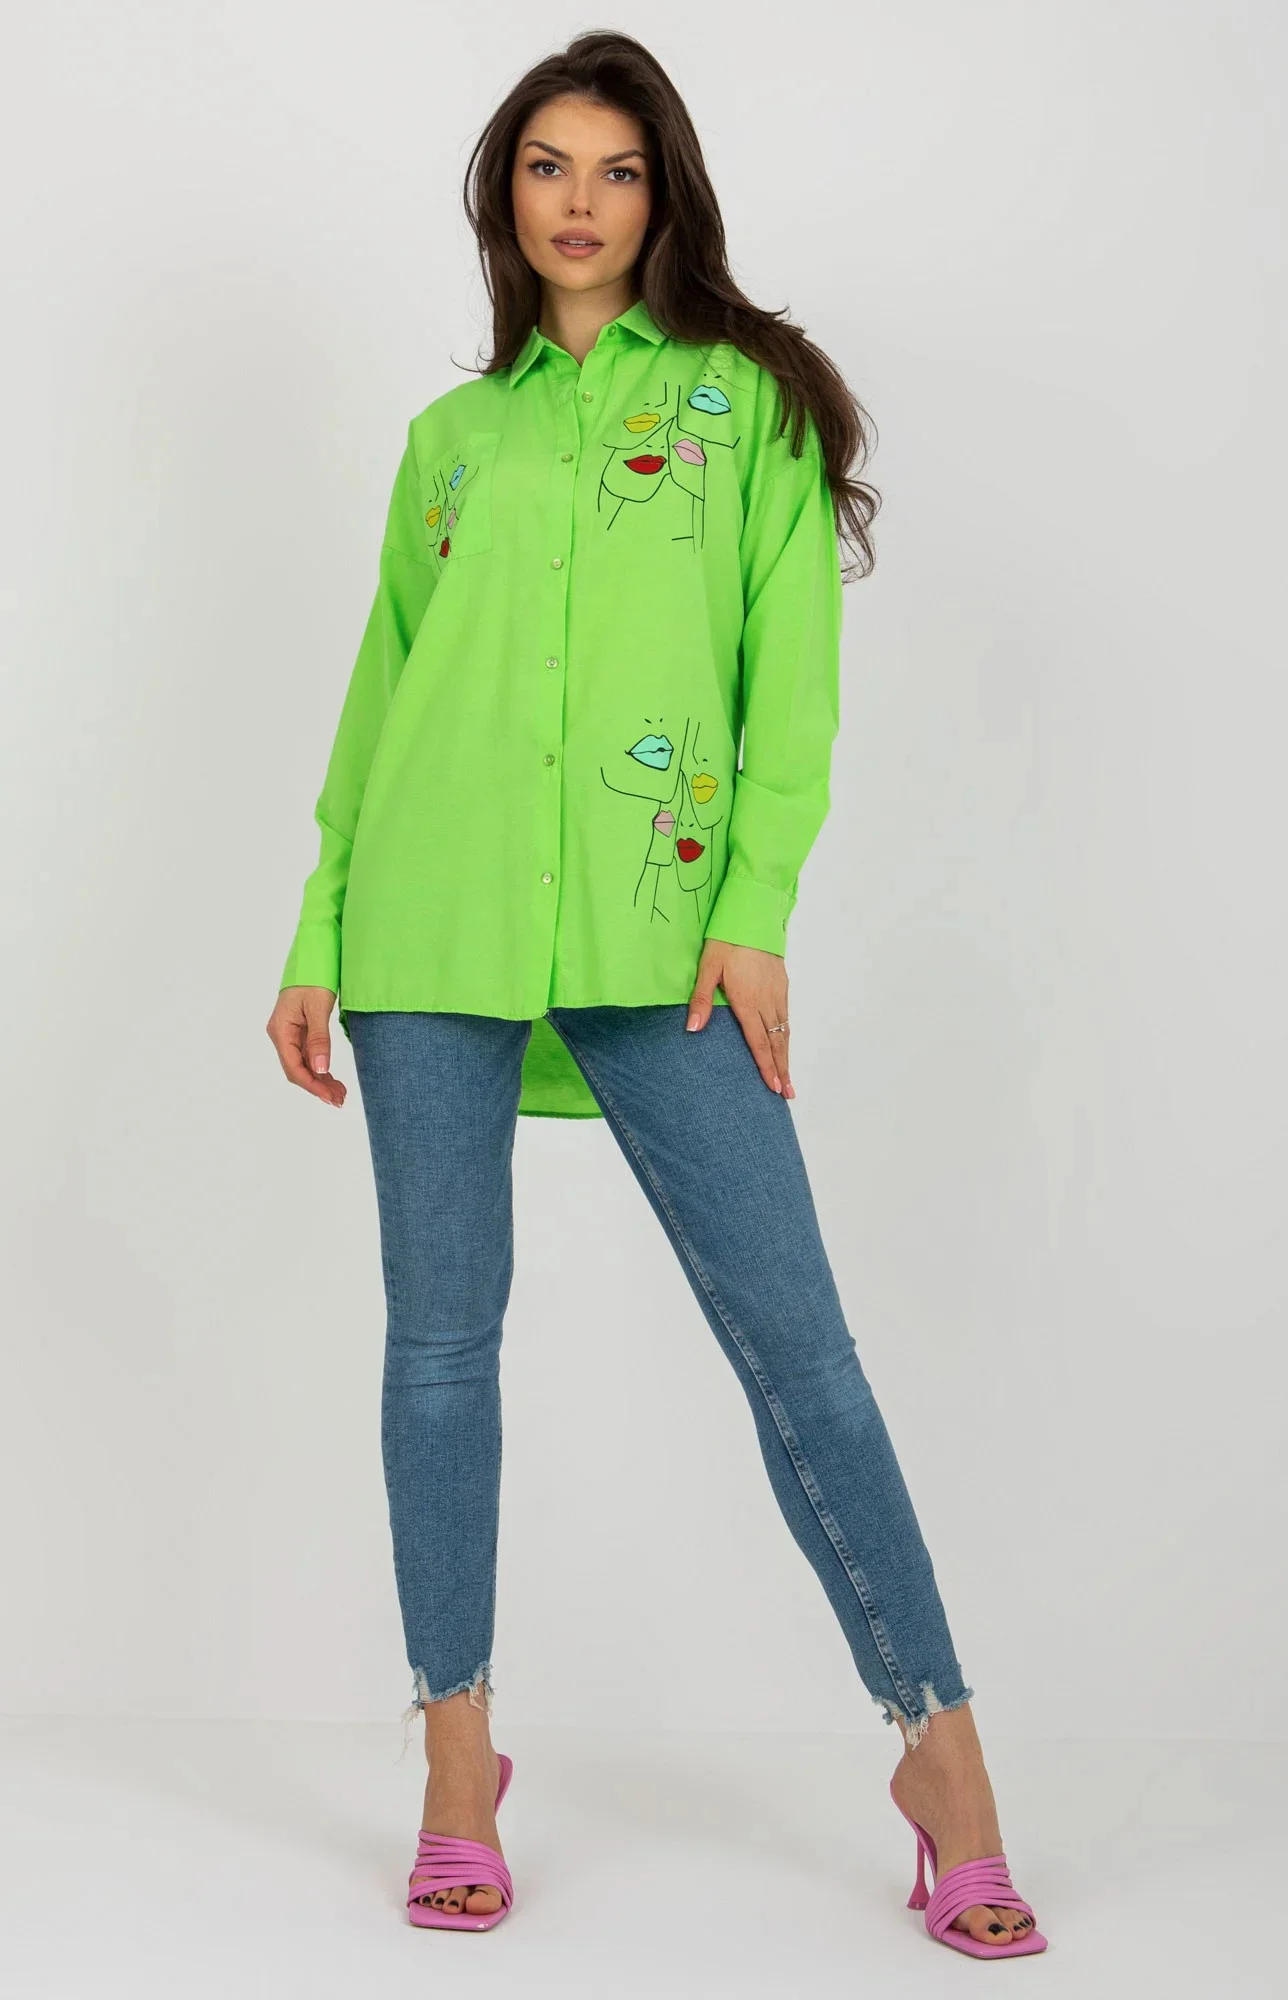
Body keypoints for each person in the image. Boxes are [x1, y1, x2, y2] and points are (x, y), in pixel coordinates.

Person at [266, 29, 1044, 1960]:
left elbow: (796, 690)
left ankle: (942, 1760)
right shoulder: (453, 444)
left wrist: (752, 911)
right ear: (504, 194)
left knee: (804, 1358)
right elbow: (383, 696)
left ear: (664, 194)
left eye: (616, 169)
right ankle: (459, 1764)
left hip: (664, 938)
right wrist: (317, 930)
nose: (581, 201)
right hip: (427, 933)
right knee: (439, 1353)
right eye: (548, 165)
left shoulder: (742, 408)